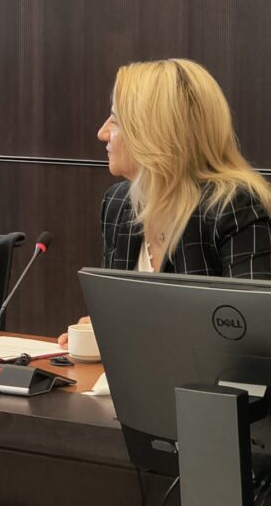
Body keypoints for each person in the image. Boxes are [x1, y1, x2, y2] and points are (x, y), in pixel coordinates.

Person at [59, 58, 271, 347]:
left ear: (153, 134)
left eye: (116, 120)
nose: (102, 133)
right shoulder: (117, 204)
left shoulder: (234, 206)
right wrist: (103, 328)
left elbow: (253, 340)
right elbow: (121, 317)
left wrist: (128, 330)